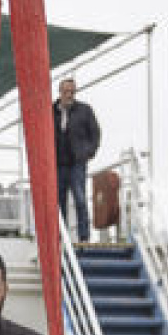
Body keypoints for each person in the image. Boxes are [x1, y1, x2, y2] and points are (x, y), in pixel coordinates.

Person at [53, 77, 101, 243]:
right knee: (59, 201)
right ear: (60, 92)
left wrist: (88, 152)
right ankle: (61, 236)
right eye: (66, 92)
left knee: (80, 199)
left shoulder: (85, 110)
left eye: (72, 92)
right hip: (58, 164)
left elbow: (95, 133)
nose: (69, 95)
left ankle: (84, 236)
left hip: (77, 163)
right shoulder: (51, 110)